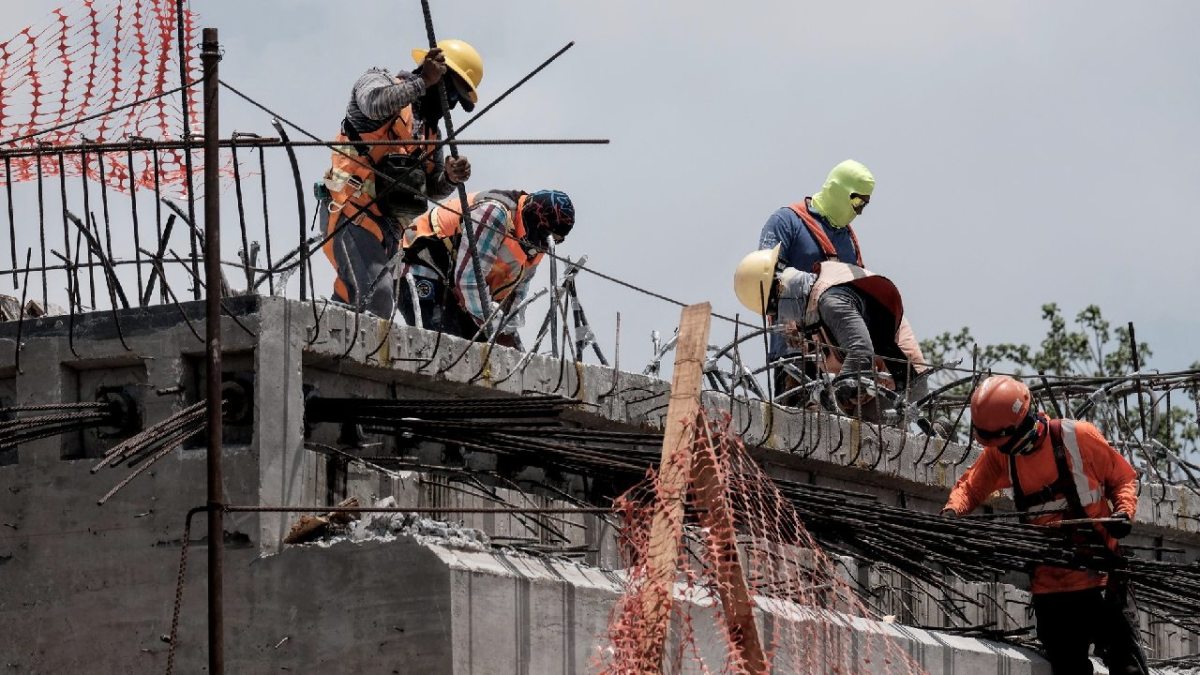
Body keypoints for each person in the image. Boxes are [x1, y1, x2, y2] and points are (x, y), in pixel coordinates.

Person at [941, 375, 1146, 675]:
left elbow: (1123, 478)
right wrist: (951, 512)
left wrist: (1124, 514)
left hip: (1102, 582)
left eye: (1003, 443)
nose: (1001, 449)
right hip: (1051, 593)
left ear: (1019, 427)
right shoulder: (1001, 453)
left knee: (1129, 669)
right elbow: (970, 488)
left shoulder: (1078, 437)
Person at [318, 39, 484, 318]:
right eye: (452, 97)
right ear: (436, 75)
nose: (449, 109)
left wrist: (450, 178)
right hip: (350, 211)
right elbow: (372, 104)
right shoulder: (378, 82)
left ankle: (325, 337)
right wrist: (421, 83)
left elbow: (431, 187)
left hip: (387, 229)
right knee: (377, 299)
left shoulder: (430, 133)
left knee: (356, 298)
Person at [732, 244, 927, 416]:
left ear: (780, 290)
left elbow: (861, 353)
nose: (779, 316)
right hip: (873, 387)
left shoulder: (831, 302)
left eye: (774, 310)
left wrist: (835, 394)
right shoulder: (811, 307)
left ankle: (936, 431)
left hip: (898, 381)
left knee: (872, 448)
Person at [399, 189, 575, 348]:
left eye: (556, 239)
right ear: (534, 220)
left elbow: (515, 295)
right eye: (547, 235)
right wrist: (494, 326)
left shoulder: (537, 245)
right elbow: (468, 279)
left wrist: (507, 328)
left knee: (502, 359)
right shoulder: (494, 213)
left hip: (462, 294)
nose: (547, 243)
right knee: (446, 347)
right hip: (421, 265)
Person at [758, 160, 877, 392]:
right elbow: (765, 278)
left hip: (839, 357)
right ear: (837, 189)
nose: (859, 210)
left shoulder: (848, 239)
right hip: (796, 349)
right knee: (794, 420)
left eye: (865, 203)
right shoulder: (788, 221)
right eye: (856, 200)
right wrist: (788, 320)